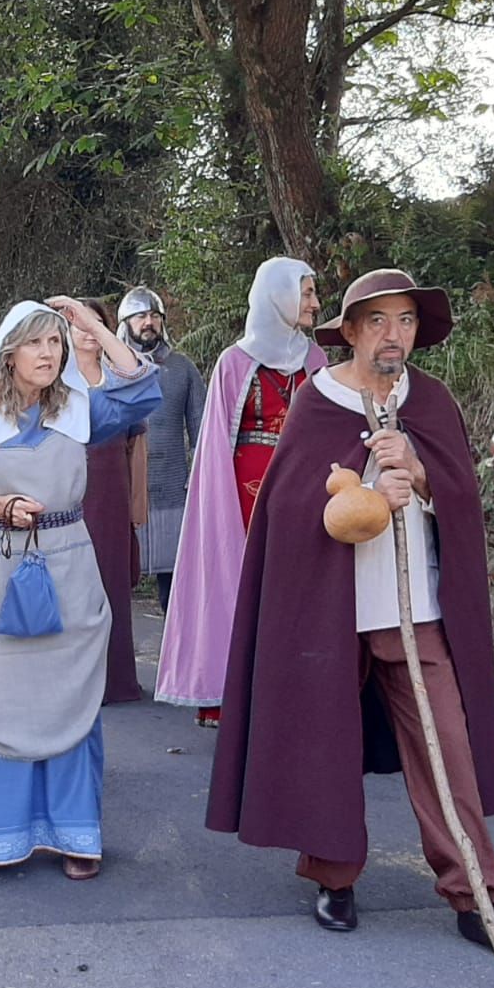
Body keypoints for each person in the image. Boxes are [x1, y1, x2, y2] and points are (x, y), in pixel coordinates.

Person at [208, 269, 494, 959]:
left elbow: (460, 500)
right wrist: (361, 492)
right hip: (328, 612)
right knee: (322, 741)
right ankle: (333, 877)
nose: (395, 336)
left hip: (413, 608)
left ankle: (476, 893)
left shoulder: (433, 402)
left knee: (447, 747)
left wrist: (419, 473)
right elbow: (288, 510)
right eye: (380, 321)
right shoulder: (318, 402)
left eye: (407, 322)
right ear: (353, 331)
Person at [0, 298, 160, 882]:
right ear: (8, 352)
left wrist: (96, 326)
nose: (49, 353)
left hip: (69, 568)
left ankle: (75, 832)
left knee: (68, 698)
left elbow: (141, 390)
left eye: (55, 343)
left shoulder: (79, 412)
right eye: (36, 343)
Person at [156, 258, 325, 725]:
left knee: (298, 588)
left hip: (304, 488)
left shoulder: (317, 361)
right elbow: (214, 443)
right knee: (245, 586)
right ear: (279, 296)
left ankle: (296, 688)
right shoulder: (236, 362)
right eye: (306, 293)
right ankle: (237, 692)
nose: (314, 303)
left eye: (312, 293)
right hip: (244, 494)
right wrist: (220, 506)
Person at [71, 297, 149, 704]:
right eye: (79, 324)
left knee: (111, 581)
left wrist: (137, 508)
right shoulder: (54, 380)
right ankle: (73, 680)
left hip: (112, 488)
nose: (87, 331)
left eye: (95, 323)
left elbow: (137, 443)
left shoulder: (119, 379)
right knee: (72, 583)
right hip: (67, 490)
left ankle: (115, 678)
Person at [117, 286, 206, 612]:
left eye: (154, 316)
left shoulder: (182, 369)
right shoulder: (110, 367)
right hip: (125, 484)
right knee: (116, 578)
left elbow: (202, 428)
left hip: (171, 485)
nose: (148, 322)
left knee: (175, 586)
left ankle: (176, 652)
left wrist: (199, 472)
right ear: (126, 321)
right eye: (141, 316)